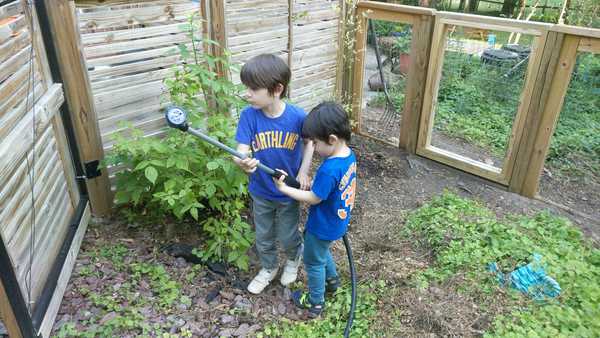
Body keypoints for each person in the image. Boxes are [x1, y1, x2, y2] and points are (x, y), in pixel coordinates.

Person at [234, 54, 314, 294]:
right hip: (260, 191)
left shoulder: (298, 117)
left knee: (288, 235)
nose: (246, 93)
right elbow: (239, 150)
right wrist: (241, 162)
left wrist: (303, 171)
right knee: (264, 236)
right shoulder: (249, 116)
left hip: (287, 192)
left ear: (277, 89)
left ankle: (293, 258)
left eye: (253, 88)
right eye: (246, 87)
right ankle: (268, 267)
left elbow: (309, 143)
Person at [273, 101, 357, 317]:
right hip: (337, 221)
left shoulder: (329, 169)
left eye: (315, 143)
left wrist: (284, 189)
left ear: (332, 139)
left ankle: (315, 301)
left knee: (313, 262)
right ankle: (333, 281)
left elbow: (313, 198)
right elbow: (329, 190)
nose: (313, 147)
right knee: (321, 252)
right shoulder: (348, 155)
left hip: (322, 226)